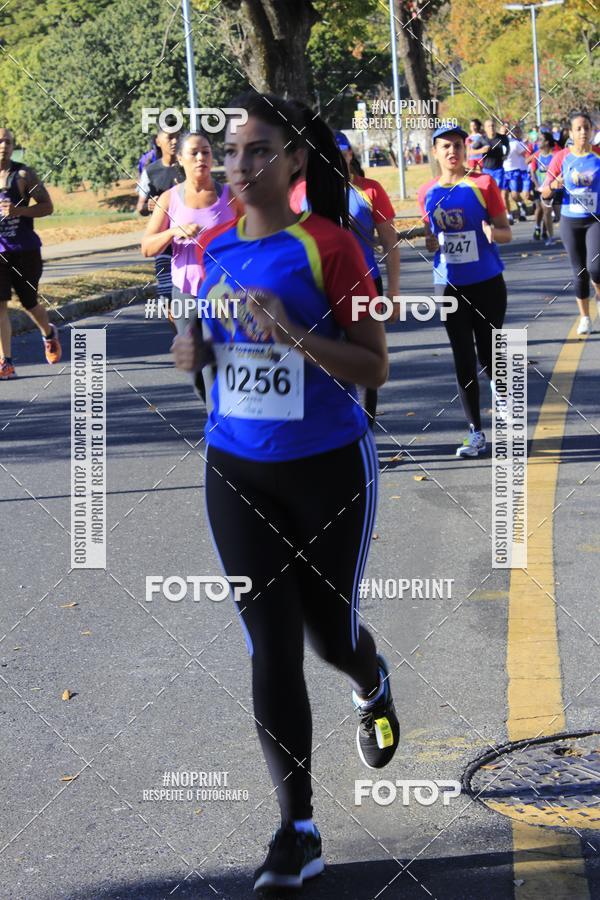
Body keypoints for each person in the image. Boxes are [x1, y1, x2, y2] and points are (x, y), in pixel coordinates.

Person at [172, 92, 400, 892]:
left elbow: (375, 366)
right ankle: (296, 829)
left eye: (258, 150)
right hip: (236, 468)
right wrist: (189, 344)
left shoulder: (334, 247)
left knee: (328, 640)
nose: (239, 165)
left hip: (328, 468)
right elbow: (201, 349)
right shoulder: (213, 246)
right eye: (233, 153)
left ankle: (370, 679)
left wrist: (298, 333)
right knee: (271, 645)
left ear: (295, 162)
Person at [289, 130, 400, 429]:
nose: (337, 158)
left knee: (366, 359)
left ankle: (364, 428)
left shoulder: (370, 190)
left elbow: (390, 242)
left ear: (351, 154)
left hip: (364, 285)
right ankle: (328, 427)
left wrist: (394, 292)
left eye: (343, 151)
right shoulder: (299, 192)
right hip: (316, 290)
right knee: (318, 356)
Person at [418, 123, 512, 458]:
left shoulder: (483, 184)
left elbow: (506, 233)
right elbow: (434, 240)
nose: (452, 152)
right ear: (436, 152)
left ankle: (502, 395)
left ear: (465, 149)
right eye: (445, 146)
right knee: (462, 358)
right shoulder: (426, 192)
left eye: (457, 145)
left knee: (488, 353)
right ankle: (475, 432)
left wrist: (491, 233)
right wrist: (430, 242)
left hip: (487, 281)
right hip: (448, 285)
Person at [141, 130, 240, 397]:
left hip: (224, 292)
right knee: (196, 369)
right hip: (186, 292)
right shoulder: (170, 199)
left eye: (206, 152)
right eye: (193, 153)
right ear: (181, 160)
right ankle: (214, 412)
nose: (200, 158)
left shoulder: (231, 196)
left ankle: (220, 426)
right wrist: (174, 232)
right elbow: (147, 247)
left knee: (218, 364)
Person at [0, 128, 61, 380]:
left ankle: (48, 333)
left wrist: (18, 211)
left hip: (25, 250)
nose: (4, 145)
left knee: (29, 303)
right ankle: (7, 362)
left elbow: (47, 206)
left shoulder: (23, 175)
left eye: (8, 141)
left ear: (14, 146)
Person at [542, 111, 600, 336]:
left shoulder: (597, 157)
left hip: (595, 219)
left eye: (587, 127)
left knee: (596, 267)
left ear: (592, 130)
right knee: (580, 271)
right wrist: (555, 184)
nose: (583, 132)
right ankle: (585, 317)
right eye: (578, 128)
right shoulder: (561, 158)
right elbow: (545, 192)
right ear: (571, 133)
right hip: (570, 219)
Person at [136, 126, 184, 306]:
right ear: (158, 140)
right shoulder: (150, 171)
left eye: (178, 137)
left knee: (192, 297)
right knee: (167, 299)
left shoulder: (188, 166)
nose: (174, 142)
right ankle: (179, 334)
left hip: (189, 240)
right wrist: (148, 205)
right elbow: (140, 206)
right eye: (170, 137)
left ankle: (191, 333)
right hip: (163, 243)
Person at [528, 130, 560, 245]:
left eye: (540, 140)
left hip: (555, 188)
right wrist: (537, 186)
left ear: (546, 142)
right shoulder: (536, 156)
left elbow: (561, 171)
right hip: (541, 189)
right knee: (545, 210)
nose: (537, 142)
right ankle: (548, 235)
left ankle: (565, 235)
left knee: (559, 215)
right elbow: (532, 171)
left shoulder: (556, 155)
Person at [503, 124, 531, 223]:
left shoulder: (515, 143)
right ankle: (509, 215)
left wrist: (530, 166)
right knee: (504, 195)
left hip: (514, 171)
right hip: (502, 172)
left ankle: (521, 206)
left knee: (514, 195)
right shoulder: (498, 143)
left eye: (507, 130)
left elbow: (527, 155)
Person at [481, 118, 509, 190]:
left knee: (496, 190)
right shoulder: (482, 138)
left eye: (493, 126)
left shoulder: (502, 137)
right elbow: (472, 150)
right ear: (485, 128)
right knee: (486, 189)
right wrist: (481, 150)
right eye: (489, 126)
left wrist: (506, 155)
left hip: (498, 169)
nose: (491, 128)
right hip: (486, 169)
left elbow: (508, 147)